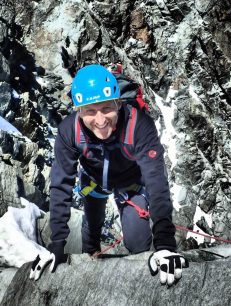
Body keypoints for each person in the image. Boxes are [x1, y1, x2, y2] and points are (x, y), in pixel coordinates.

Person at [29, 64, 188, 285]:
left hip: (130, 186)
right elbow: (60, 184)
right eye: (90, 111)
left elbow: (156, 181)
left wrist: (165, 246)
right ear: (79, 111)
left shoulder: (139, 125)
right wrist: (56, 244)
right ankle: (89, 266)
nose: (101, 120)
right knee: (92, 229)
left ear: (119, 103)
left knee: (138, 244)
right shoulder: (69, 131)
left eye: (106, 108)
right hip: (94, 182)